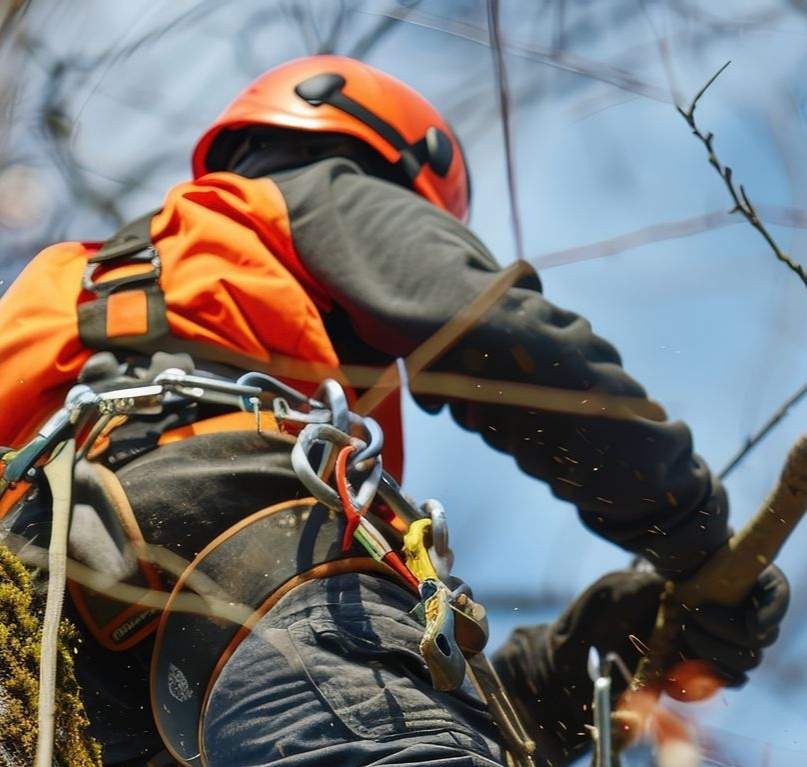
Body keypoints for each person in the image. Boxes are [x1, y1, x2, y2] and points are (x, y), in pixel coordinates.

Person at [0, 55, 789, 767]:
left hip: (36, 622)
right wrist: (687, 526)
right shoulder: (315, 192)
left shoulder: (51, 289)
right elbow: (503, 336)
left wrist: (589, 658)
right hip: (238, 532)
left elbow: (367, 689)